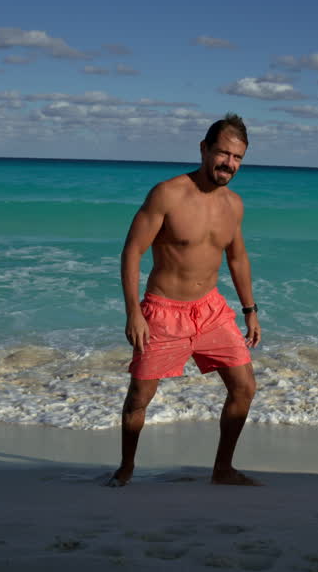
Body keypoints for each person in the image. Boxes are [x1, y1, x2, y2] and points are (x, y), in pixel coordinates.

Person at [108, 113, 263, 487]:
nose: (229, 163)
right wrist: (134, 312)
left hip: (210, 310)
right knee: (139, 398)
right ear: (204, 149)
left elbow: (237, 257)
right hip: (163, 312)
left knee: (244, 388)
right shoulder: (168, 194)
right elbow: (132, 251)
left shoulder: (234, 205)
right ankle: (126, 469)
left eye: (238, 157)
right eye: (223, 154)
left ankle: (222, 470)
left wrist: (250, 309)